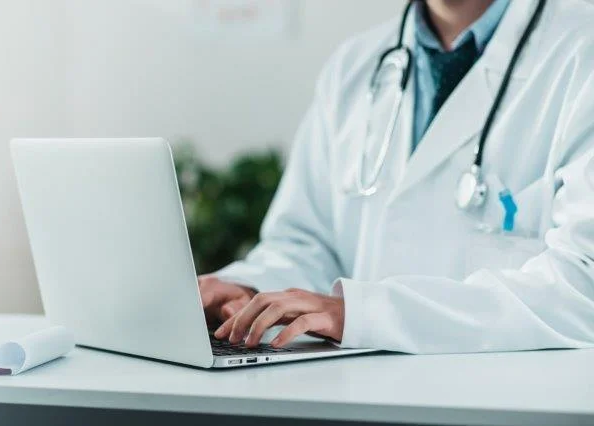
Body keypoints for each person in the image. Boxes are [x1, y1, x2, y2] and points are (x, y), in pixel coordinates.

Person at [199, 0, 594, 354]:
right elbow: (307, 244)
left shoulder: (581, 50)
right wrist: (250, 291)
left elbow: (581, 288)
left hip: (516, 405)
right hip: (360, 396)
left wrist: (360, 313)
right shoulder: (355, 66)